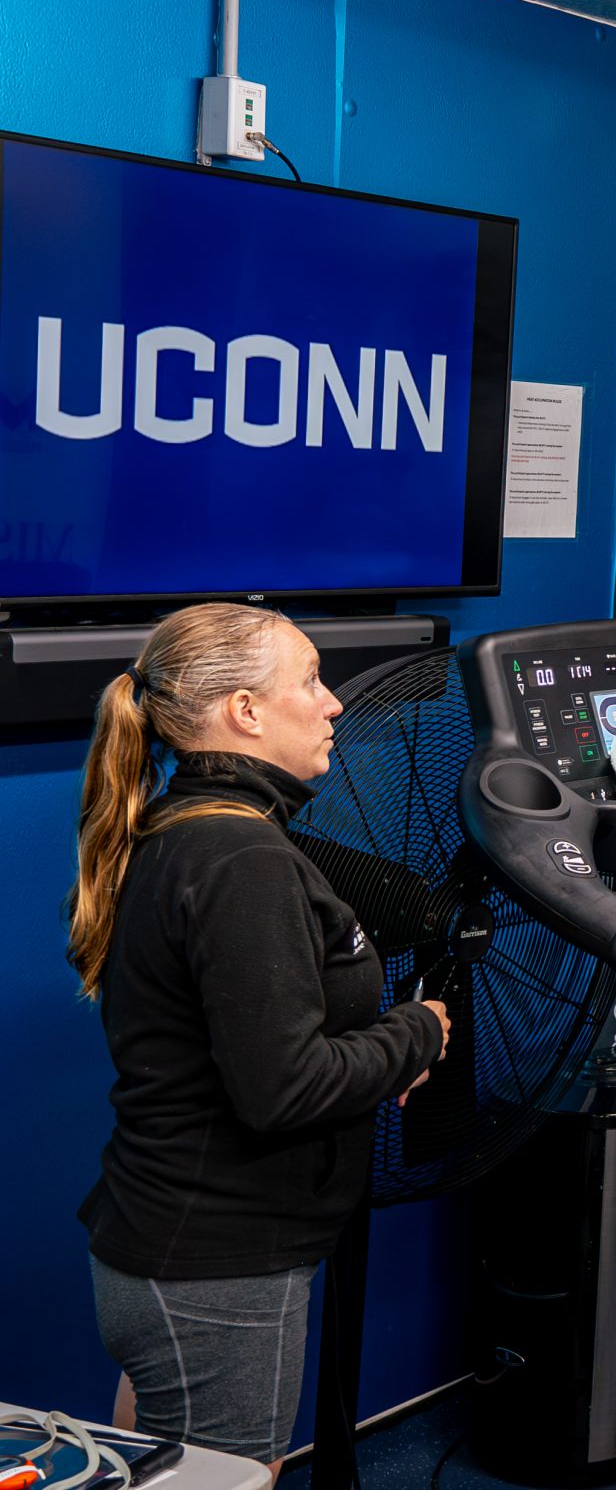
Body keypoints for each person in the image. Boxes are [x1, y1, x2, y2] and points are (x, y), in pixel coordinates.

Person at [70, 602, 451, 1469]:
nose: (333, 705)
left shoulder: (189, 831)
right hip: (214, 1265)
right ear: (244, 710)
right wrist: (415, 1035)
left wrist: (367, 1046)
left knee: (157, 1468)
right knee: (233, 1475)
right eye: (310, 681)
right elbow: (285, 1088)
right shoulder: (241, 862)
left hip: (172, 1250)